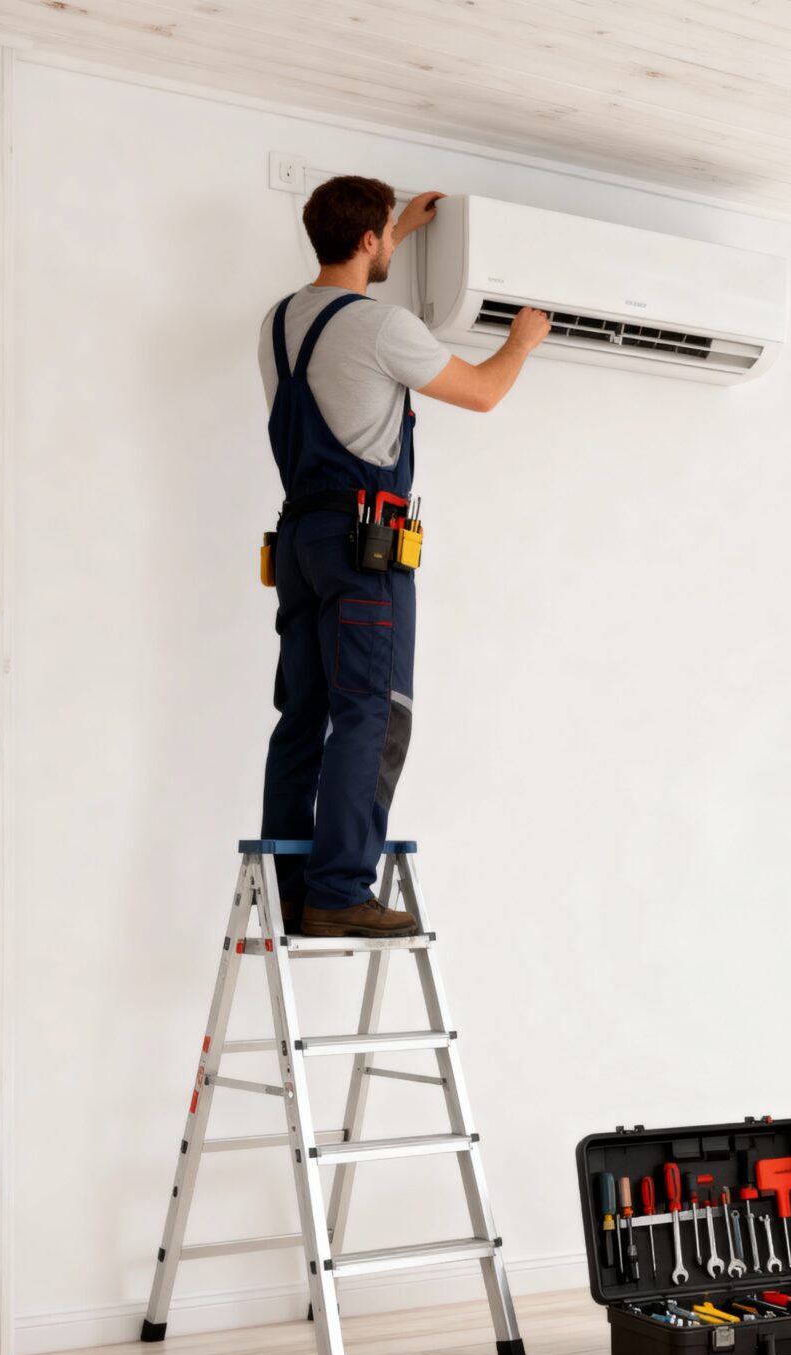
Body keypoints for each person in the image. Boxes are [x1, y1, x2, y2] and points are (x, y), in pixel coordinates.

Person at [258, 175, 550, 936]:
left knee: (305, 712)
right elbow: (484, 391)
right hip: (365, 546)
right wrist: (519, 342)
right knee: (375, 712)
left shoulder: (279, 322)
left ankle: (291, 886)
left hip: (298, 543)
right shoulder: (383, 327)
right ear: (366, 241)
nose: (392, 240)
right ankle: (341, 888)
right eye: (385, 233)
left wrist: (401, 231)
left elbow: (343, 326)